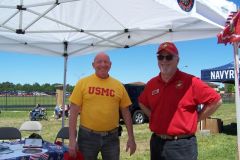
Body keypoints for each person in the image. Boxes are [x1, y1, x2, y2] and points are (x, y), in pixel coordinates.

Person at [138, 42, 222, 160]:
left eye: (169, 57)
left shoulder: (190, 81)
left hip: (182, 145)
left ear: (177, 60)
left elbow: (216, 100)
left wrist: (197, 118)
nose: (164, 60)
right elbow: (142, 102)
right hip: (157, 142)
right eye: (160, 57)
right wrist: (153, 116)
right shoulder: (152, 83)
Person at [68, 52, 136, 160]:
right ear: (93, 65)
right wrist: (72, 140)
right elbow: (73, 112)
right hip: (87, 137)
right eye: (99, 61)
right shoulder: (83, 83)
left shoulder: (118, 85)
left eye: (106, 62)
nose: (103, 64)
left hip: (112, 138)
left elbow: (126, 112)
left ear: (110, 64)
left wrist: (131, 138)